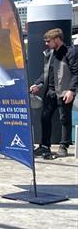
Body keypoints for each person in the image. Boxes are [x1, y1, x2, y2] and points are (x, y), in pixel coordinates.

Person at [29, 28, 78, 158]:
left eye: (48, 41)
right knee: (45, 118)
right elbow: (46, 73)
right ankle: (44, 146)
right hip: (50, 92)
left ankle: (64, 146)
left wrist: (71, 90)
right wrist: (38, 84)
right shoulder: (50, 53)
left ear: (57, 39)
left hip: (64, 91)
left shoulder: (71, 52)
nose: (46, 43)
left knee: (64, 119)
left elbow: (76, 73)